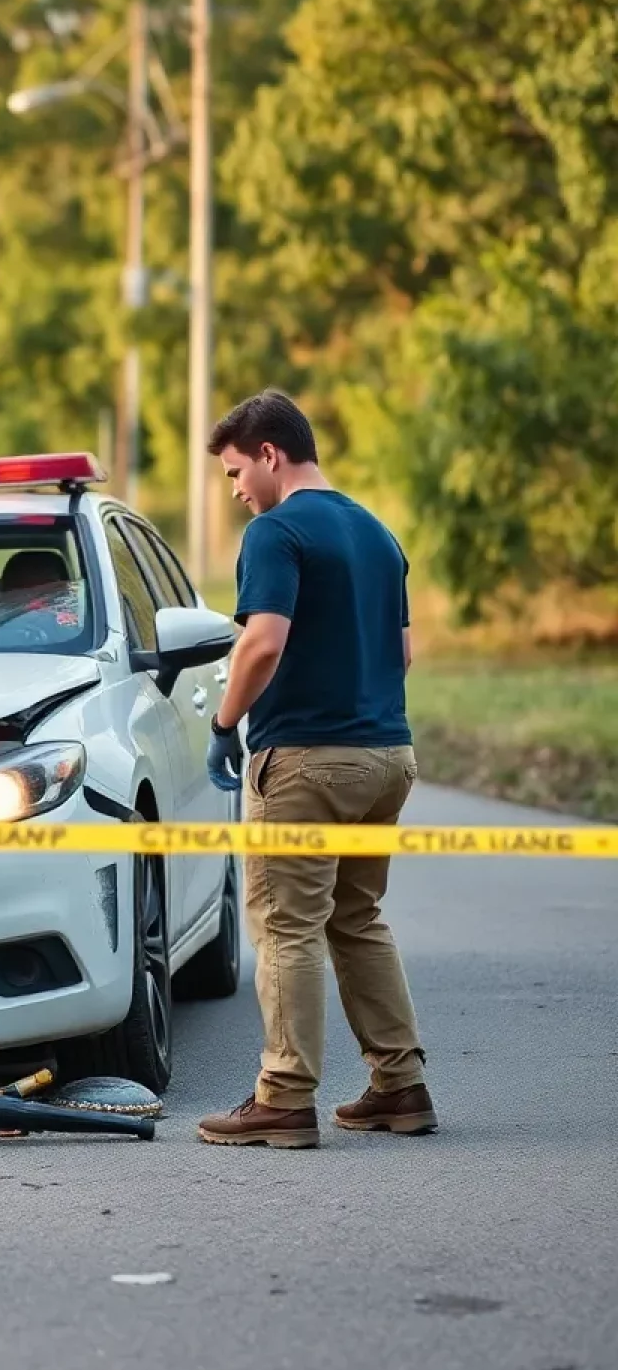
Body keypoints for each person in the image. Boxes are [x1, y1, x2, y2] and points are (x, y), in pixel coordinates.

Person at [196, 389, 436, 1149]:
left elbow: (262, 642)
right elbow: (400, 654)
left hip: (305, 761)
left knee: (285, 926)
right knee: (357, 920)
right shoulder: (377, 532)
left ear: (270, 454)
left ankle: (284, 1096)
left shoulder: (277, 532)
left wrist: (224, 721)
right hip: (388, 756)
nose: (236, 491)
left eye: (237, 472)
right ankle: (400, 1087)